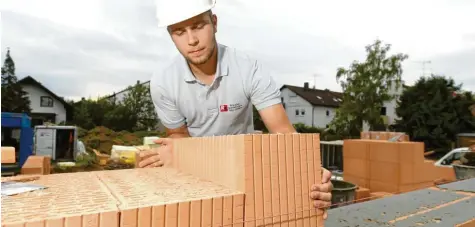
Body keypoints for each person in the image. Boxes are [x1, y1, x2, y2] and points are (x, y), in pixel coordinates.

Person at [139, 0, 333, 218]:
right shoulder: (163, 82)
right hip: (197, 170)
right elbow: (179, 136)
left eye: (198, 26)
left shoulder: (249, 68)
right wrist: (172, 154)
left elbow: (284, 133)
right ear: (170, 35)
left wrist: (311, 173)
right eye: (179, 32)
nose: (192, 40)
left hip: (245, 169)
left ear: (214, 22)